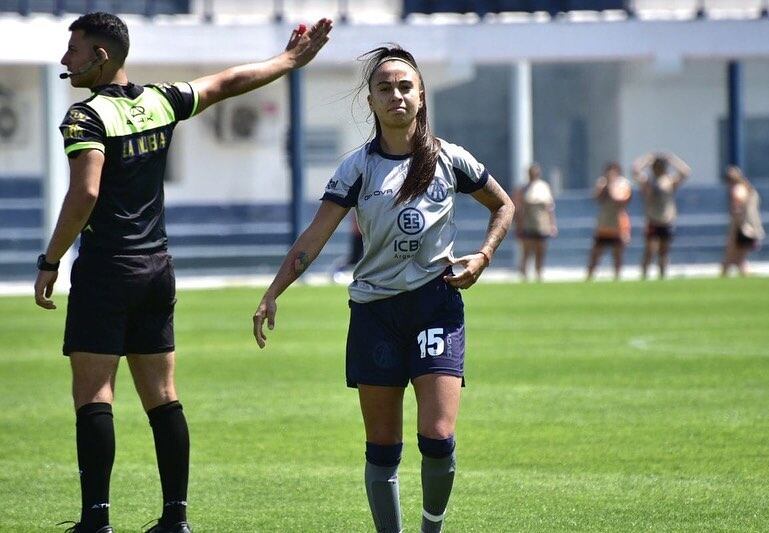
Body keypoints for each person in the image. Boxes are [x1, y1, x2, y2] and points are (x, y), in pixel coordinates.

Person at [33, 12, 332, 533]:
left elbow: (85, 193)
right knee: (163, 397)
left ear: (101, 57)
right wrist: (288, 60)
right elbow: (226, 82)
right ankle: (176, 519)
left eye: (73, 51)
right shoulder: (161, 101)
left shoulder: (86, 119)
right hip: (157, 268)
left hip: (107, 269)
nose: (65, 60)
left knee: (94, 394)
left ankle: (96, 521)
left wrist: (51, 260)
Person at [252, 45, 514, 533]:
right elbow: (315, 234)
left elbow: (504, 206)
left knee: (437, 437)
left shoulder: (451, 160)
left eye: (405, 86)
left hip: (436, 305)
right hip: (375, 313)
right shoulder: (356, 168)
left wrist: (482, 256)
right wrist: (274, 291)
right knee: (383, 448)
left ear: (421, 96)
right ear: (370, 100)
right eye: (384, 88)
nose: (396, 95)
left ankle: (431, 528)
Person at [631, 152, 691, 279]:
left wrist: (672, 159)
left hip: (666, 220)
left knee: (664, 252)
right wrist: (647, 159)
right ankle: (644, 275)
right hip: (652, 219)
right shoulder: (647, 181)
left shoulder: (669, 181)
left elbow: (685, 172)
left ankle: (662, 275)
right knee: (650, 250)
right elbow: (635, 170)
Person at [586, 162, 631, 281]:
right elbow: (597, 198)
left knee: (617, 254)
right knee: (595, 254)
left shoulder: (622, 184)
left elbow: (620, 200)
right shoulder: (602, 183)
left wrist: (611, 186)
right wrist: (604, 186)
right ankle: (589, 277)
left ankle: (617, 277)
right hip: (604, 224)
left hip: (618, 224)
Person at [512, 163, 557, 281]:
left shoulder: (544, 187)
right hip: (528, 223)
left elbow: (550, 208)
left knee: (540, 249)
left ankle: (539, 271)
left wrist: (552, 224)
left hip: (542, 223)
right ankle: (524, 273)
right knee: (527, 250)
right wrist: (518, 225)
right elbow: (518, 208)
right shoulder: (523, 189)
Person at [721, 165, 765, 276]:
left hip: (741, 226)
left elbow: (737, 207)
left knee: (730, 257)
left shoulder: (737, 189)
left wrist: (736, 225)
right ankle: (744, 276)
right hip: (751, 225)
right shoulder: (749, 189)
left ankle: (723, 278)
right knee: (740, 259)